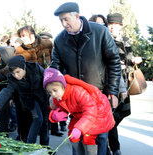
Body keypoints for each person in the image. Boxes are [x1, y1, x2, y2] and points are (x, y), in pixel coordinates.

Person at [50, 2, 121, 155]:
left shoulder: (100, 31)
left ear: (77, 16)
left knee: (100, 137)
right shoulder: (59, 40)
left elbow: (113, 61)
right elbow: (55, 69)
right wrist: (53, 96)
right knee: (78, 135)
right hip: (74, 98)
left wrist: (113, 91)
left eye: (66, 19)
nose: (64, 24)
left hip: (99, 94)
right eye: (60, 21)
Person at [44, 68, 115, 155]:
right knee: (74, 137)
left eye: (55, 90)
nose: (53, 94)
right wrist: (54, 116)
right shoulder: (58, 96)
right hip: (82, 115)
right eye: (50, 92)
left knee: (89, 140)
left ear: (63, 86)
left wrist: (79, 128)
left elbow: (90, 112)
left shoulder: (77, 92)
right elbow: (56, 108)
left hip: (99, 113)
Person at [0, 55, 49, 145]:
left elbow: (48, 79)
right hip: (29, 100)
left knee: (44, 122)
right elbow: (5, 93)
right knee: (38, 119)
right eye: (13, 73)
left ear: (24, 66)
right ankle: (30, 146)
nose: (16, 76)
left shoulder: (35, 67)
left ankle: (45, 147)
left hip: (42, 96)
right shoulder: (12, 78)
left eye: (18, 72)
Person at [106, 13, 142, 155]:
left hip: (125, 81)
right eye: (110, 25)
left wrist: (134, 60)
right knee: (112, 116)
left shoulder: (126, 40)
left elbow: (127, 58)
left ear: (120, 26)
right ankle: (113, 148)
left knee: (122, 113)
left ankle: (110, 144)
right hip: (111, 81)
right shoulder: (106, 39)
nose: (112, 27)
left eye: (115, 25)